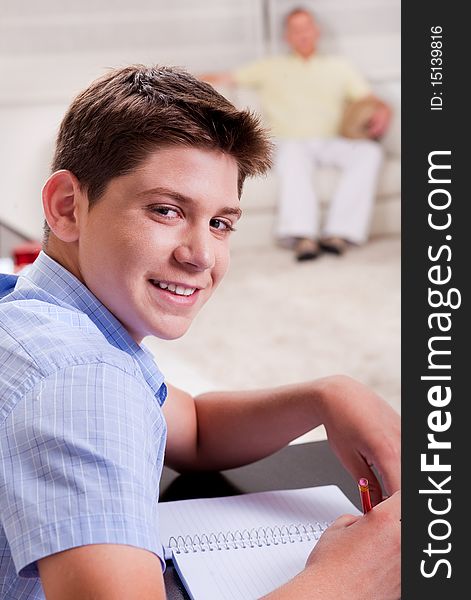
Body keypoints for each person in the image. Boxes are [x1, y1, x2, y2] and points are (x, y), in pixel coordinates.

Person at [0, 64, 400, 599]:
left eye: (220, 223)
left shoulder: (35, 311)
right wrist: (352, 577)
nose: (201, 256)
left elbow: (188, 428)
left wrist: (327, 395)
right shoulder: (81, 382)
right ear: (67, 207)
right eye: (166, 210)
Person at [202, 7, 392, 261]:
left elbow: (373, 101)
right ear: (286, 37)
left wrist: (384, 112)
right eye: (295, 30)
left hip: (332, 141)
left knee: (369, 152)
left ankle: (340, 232)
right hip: (289, 142)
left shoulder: (339, 67)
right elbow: (222, 77)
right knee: (292, 155)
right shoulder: (268, 67)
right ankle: (303, 236)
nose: (302, 34)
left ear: (316, 31)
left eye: (306, 28)